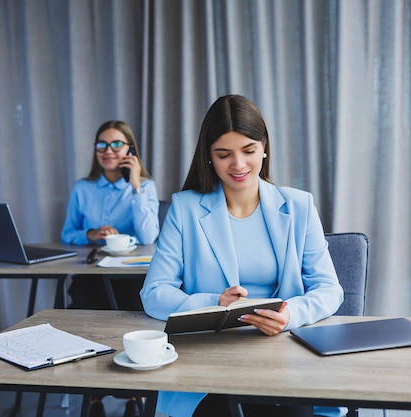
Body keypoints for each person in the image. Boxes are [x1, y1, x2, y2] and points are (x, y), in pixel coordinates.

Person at [140, 95, 345, 417]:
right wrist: (214, 304)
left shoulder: (299, 205)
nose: (238, 165)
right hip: (213, 355)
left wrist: (290, 315)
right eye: (224, 155)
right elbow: (154, 294)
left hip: (285, 350)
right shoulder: (185, 208)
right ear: (209, 157)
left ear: (264, 148)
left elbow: (329, 289)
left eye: (248, 151)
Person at [61, 120, 159, 417]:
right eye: (102, 144)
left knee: (130, 323)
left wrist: (137, 185)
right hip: (92, 272)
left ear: (130, 149)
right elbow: (68, 234)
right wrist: (90, 234)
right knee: (83, 320)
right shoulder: (83, 187)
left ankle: (133, 397)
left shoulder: (145, 187)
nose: (108, 151)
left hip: (129, 276)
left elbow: (148, 236)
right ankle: (92, 396)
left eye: (117, 144)